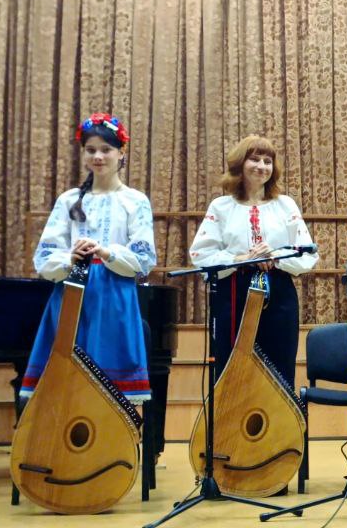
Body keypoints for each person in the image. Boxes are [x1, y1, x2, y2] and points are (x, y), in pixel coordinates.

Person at [22, 113, 157, 404]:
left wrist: (107, 252)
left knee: (112, 394)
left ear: (121, 152)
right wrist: (69, 258)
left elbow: (144, 258)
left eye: (106, 150)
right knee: (65, 392)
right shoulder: (69, 199)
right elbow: (44, 256)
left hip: (114, 296)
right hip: (71, 295)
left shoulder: (135, 201)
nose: (98, 156)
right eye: (91, 150)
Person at [189, 135, 317, 381]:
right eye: (255, 159)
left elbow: (307, 254)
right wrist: (244, 257)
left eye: (267, 161)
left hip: (278, 293)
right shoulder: (221, 207)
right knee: (231, 368)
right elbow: (201, 254)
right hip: (233, 292)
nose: (262, 166)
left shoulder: (285, 205)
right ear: (240, 164)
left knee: (279, 367)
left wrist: (274, 256)